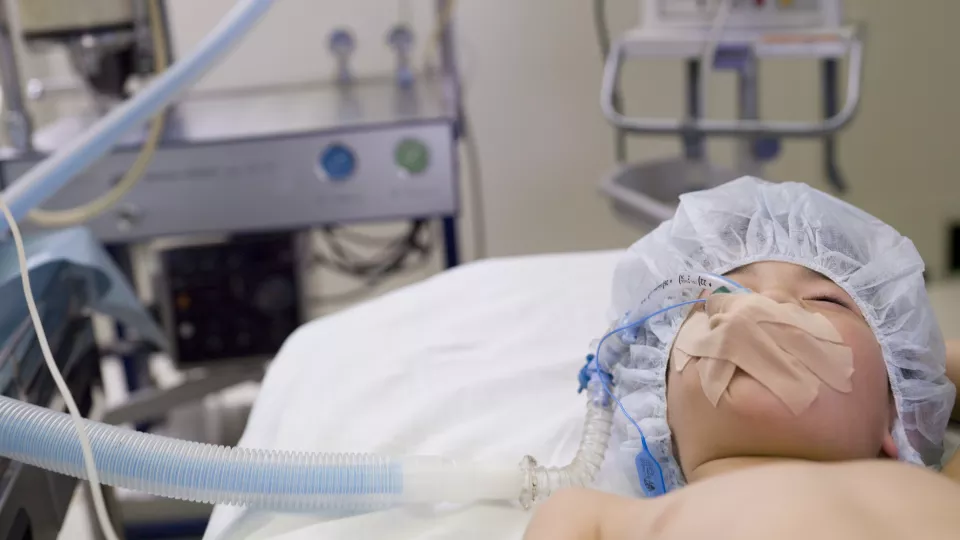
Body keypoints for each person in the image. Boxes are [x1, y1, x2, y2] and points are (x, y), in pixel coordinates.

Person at [523, 177, 960, 539]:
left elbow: (917, 378)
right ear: (659, 406)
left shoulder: (936, 486)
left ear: (893, 418)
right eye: (712, 299)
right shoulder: (600, 517)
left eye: (826, 300)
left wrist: (918, 371)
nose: (765, 301)